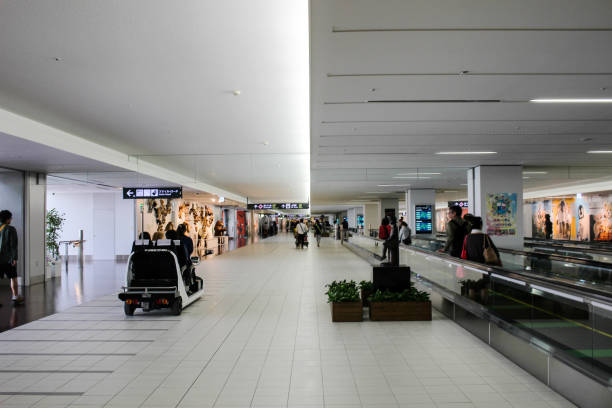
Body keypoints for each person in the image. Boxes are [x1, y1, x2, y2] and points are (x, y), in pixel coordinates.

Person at [0, 210, 23, 304]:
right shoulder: (11, 229)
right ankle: (15, 297)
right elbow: (13, 245)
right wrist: (14, 258)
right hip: (8, 259)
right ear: (8, 219)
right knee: (13, 277)